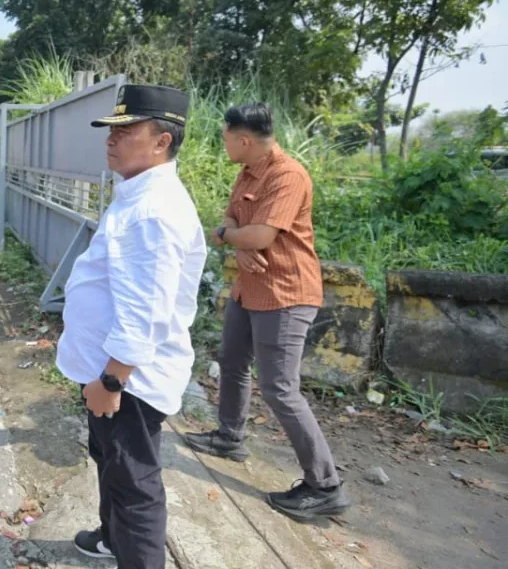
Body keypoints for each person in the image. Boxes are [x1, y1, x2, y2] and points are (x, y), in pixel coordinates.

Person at [57, 85, 207, 568]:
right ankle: (112, 538)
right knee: (111, 464)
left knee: (135, 484)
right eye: (112, 130)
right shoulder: (138, 195)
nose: (112, 139)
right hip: (109, 370)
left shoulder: (154, 211)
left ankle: (134, 552)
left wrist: (111, 380)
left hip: (127, 380)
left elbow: (146, 310)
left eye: (126, 130)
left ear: (162, 141)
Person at [184, 103, 351, 521]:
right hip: (250, 287)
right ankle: (229, 437)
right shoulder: (247, 172)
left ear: (244, 140)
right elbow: (233, 224)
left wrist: (233, 239)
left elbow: (258, 235)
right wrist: (237, 244)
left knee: (279, 388)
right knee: (232, 360)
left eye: (224, 137)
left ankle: (325, 485)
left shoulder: (287, 175)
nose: (222, 143)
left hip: (285, 292)